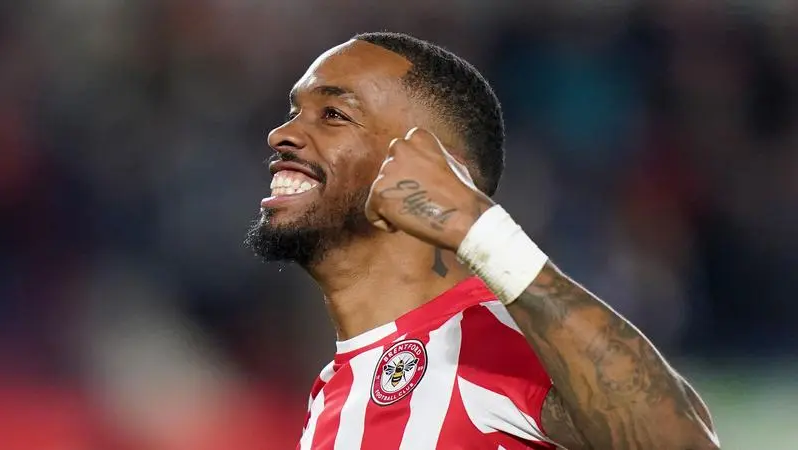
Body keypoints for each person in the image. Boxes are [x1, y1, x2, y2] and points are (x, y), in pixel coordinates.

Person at [245, 32, 720, 449]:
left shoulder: (487, 340)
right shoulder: (332, 393)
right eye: (294, 112)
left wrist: (483, 231)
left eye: (332, 114)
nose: (280, 134)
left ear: (435, 167)